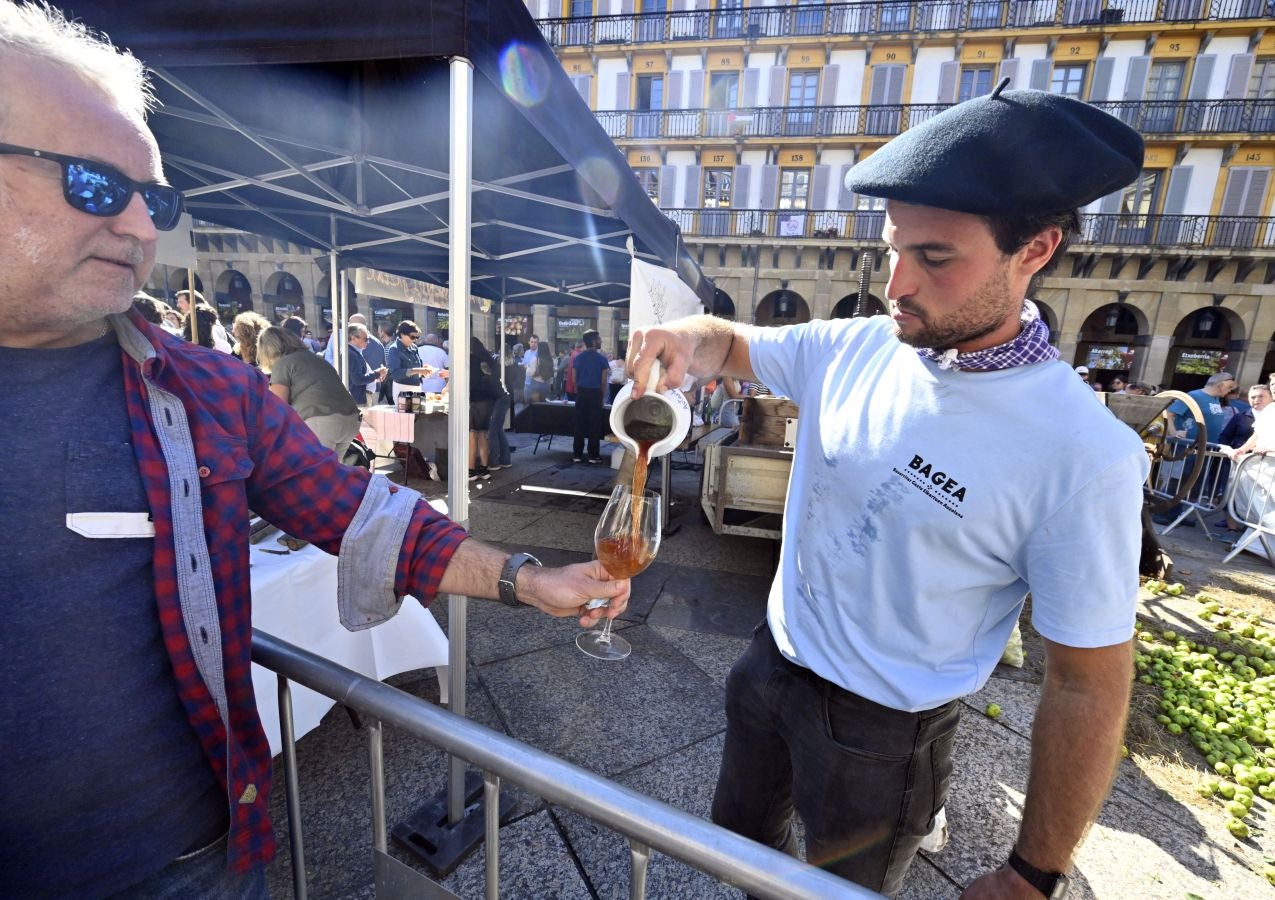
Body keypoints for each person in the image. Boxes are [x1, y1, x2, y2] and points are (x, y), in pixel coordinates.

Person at [0, 7, 629, 894]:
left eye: (158, 199)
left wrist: (529, 578)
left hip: (196, 860)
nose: (142, 227)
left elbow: (360, 512)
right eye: (95, 185)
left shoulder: (209, 389)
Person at [626, 79, 1147, 898]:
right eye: (891, 250)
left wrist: (1032, 871)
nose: (897, 283)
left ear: (1035, 250)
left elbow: (1087, 681)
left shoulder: (1084, 452)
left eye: (934, 258)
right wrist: (680, 337)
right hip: (771, 660)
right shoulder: (856, 346)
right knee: (737, 849)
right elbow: (728, 342)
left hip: (883, 732)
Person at [256, 325, 363, 459]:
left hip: (322, 421)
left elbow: (278, 407)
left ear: (267, 350)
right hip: (350, 419)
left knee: (314, 469)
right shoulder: (316, 359)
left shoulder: (283, 364)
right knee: (331, 469)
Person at [468, 336, 506, 481]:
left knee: (473, 434)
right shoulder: (488, 358)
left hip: (476, 399)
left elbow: (470, 381)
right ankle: (484, 469)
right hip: (489, 400)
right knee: (482, 434)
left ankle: (471, 470)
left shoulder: (471, 359)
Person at [571, 330, 610, 464]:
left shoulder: (578, 358)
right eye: (599, 339)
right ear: (594, 342)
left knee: (579, 424)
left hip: (581, 393)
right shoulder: (602, 359)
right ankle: (593, 455)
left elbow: (574, 379)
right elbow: (603, 382)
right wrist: (602, 397)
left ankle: (577, 454)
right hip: (595, 393)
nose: (601, 341)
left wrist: (579, 392)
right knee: (594, 425)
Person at [385, 319, 433, 398]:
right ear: (402, 334)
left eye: (417, 337)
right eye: (412, 337)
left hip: (417, 387)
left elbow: (418, 366)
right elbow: (395, 373)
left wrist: (425, 370)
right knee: (409, 406)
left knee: (419, 406)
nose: (415, 340)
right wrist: (418, 370)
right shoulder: (394, 349)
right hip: (402, 388)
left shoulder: (413, 347)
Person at [346, 322, 388, 405]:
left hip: (359, 398)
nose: (368, 342)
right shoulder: (352, 354)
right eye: (365, 339)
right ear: (353, 338)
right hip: (358, 400)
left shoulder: (353, 352)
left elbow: (356, 378)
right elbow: (357, 379)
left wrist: (375, 377)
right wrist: (377, 373)